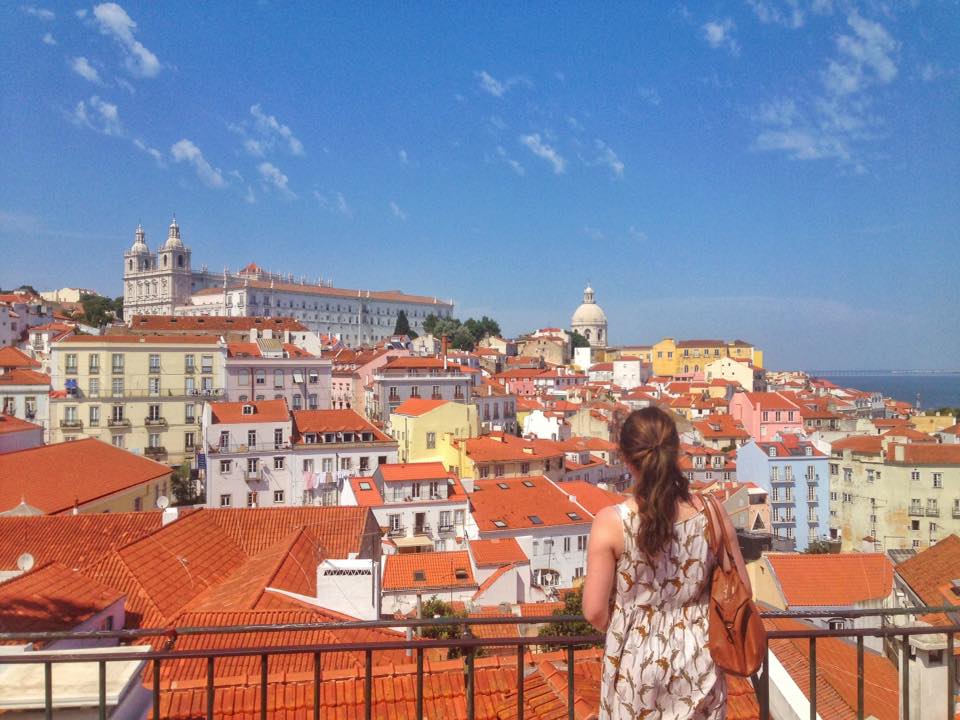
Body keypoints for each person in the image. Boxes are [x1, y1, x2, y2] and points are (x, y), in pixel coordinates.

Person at [582, 406, 743, 719]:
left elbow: (594, 610)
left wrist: (634, 627)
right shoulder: (711, 512)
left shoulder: (612, 524)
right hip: (700, 663)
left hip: (635, 665)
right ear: (675, 451)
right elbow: (739, 588)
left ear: (626, 458)